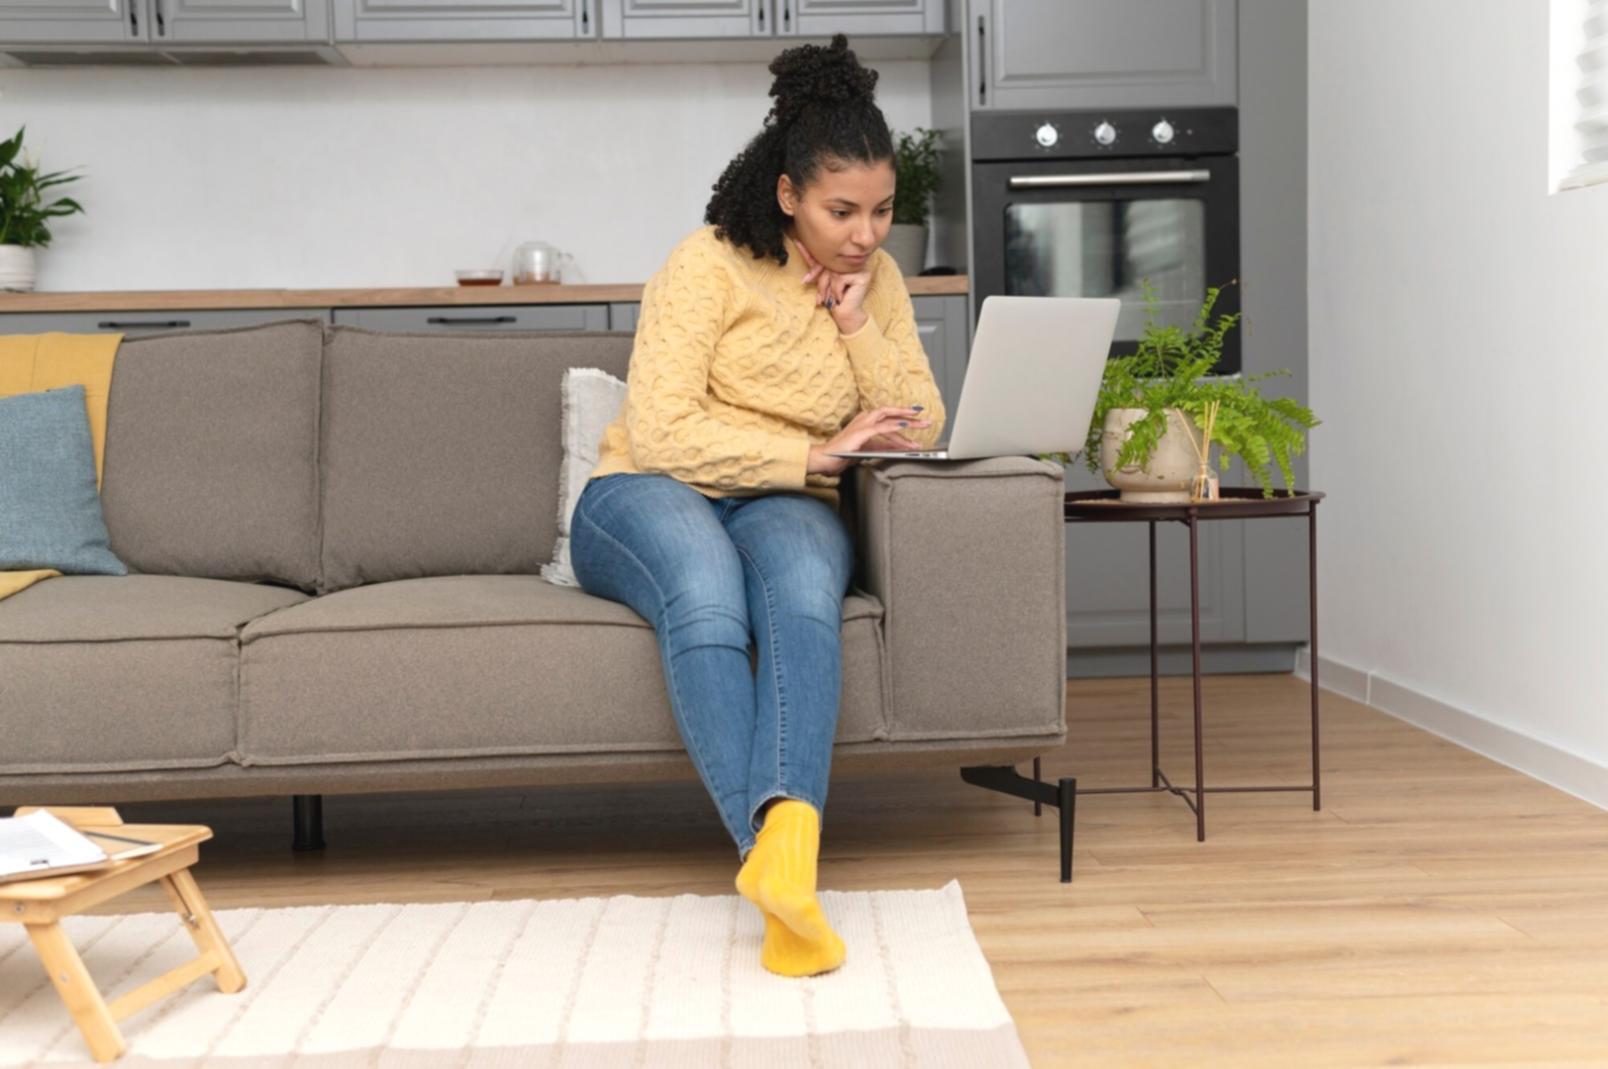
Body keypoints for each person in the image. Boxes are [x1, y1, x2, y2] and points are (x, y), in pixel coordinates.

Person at [569, 33, 947, 979]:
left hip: (784, 502)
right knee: (705, 592)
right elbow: (661, 431)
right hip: (645, 491)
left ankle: (784, 865)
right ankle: (772, 851)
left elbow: (923, 419)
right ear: (788, 194)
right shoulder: (707, 264)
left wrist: (856, 323)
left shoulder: (878, 282)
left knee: (805, 593)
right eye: (841, 211)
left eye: (883, 210)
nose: (866, 234)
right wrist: (815, 453)